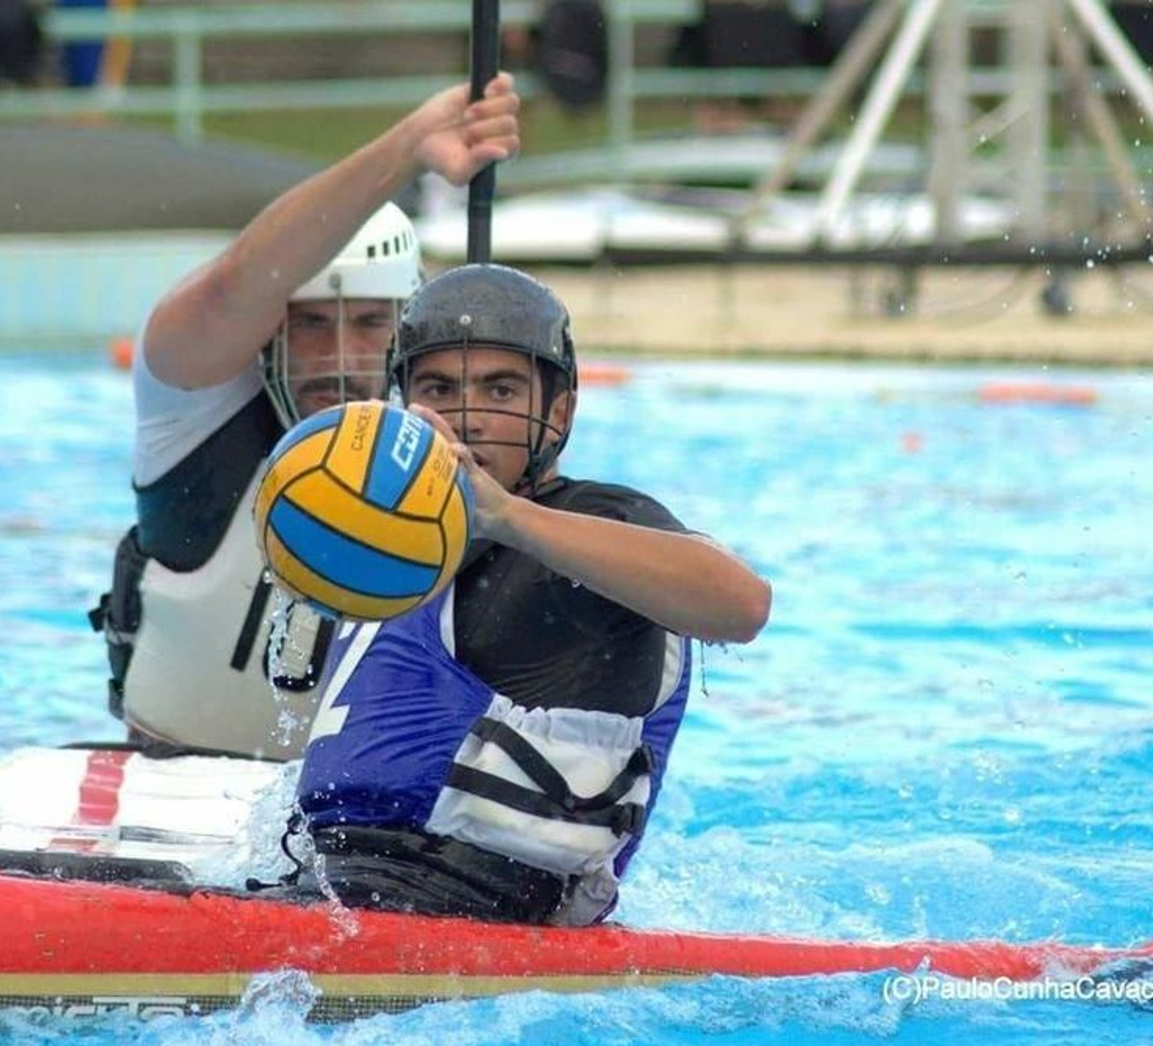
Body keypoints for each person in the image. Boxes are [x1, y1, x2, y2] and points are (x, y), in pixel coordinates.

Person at [295, 264, 771, 926]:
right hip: (343, 886)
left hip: (483, 911)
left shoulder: (592, 519)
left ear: (558, 410)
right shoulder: (393, 550)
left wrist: (506, 517)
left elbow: (741, 604)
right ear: (407, 404)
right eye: (440, 386)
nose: (470, 416)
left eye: (500, 389)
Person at [88, 76, 522, 762]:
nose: (343, 360)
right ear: (269, 330)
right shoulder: (191, 413)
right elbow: (234, 285)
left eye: (372, 322)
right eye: (313, 325)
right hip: (166, 774)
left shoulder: (467, 457)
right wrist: (410, 147)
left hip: (350, 817)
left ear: (408, 330)